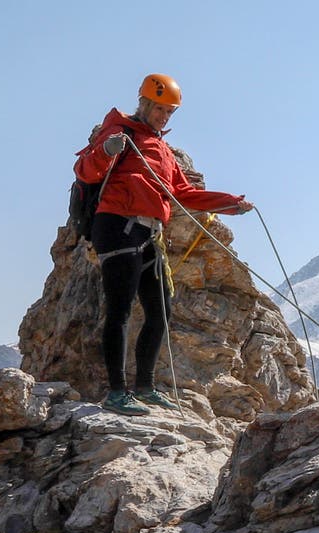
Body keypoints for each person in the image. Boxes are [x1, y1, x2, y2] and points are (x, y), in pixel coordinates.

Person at [74, 73, 255, 416]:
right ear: (144, 103)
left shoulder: (160, 148)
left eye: (170, 112)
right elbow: (86, 169)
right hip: (116, 227)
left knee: (160, 311)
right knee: (120, 310)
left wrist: (230, 203)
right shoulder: (119, 131)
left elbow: (183, 193)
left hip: (147, 233)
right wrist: (109, 150)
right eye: (160, 109)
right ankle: (116, 393)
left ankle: (145, 386)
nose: (164, 117)